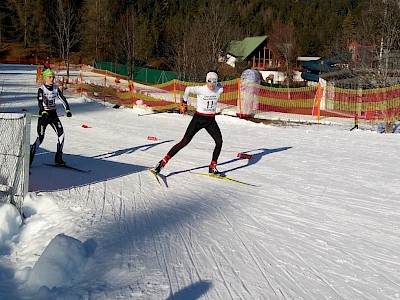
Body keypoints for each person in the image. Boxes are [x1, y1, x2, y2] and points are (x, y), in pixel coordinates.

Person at [153, 71, 224, 175]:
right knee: (185, 141)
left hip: (210, 120)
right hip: (199, 118)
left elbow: (220, 86)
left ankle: (212, 167)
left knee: (219, 141)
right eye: (209, 81)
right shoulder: (201, 89)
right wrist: (184, 103)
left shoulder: (219, 89)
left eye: (214, 82)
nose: (212, 84)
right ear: (206, 81)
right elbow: (188, 89)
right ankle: (162, 162)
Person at [30, 68, 72, 166]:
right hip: (44, 116)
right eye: (50, 77)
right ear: (45, 79)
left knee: (61, 135)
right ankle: (29, 158)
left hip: (53, 115)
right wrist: (42, 111)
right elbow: (40, 102)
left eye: (53, 77)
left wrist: (68, 109)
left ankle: (58, 158)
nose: (52, 78)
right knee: (40, 138)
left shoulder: (56, 88)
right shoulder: (41, 90)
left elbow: (63, 99)